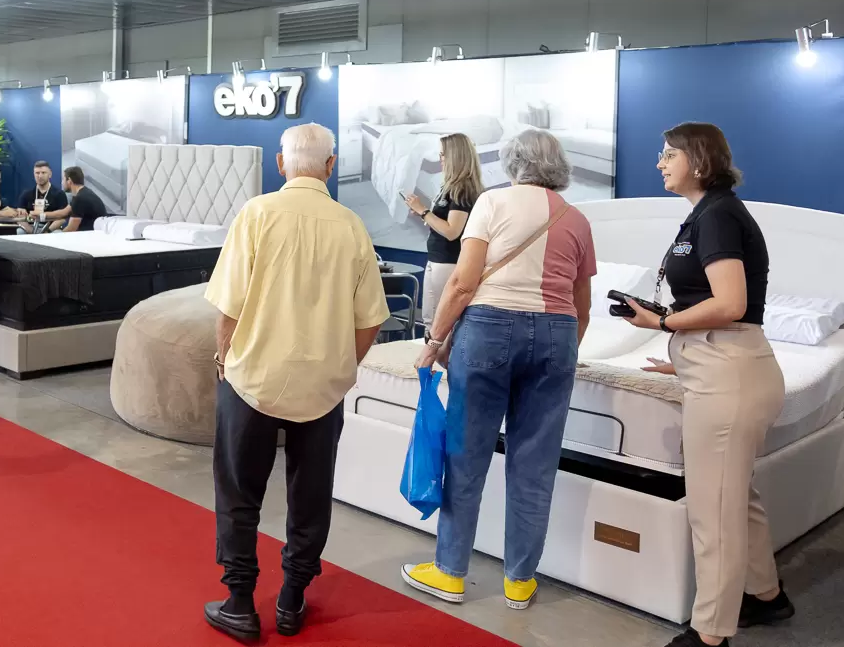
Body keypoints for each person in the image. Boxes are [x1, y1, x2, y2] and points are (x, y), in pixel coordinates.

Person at [202, 123, 388, 641]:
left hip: (253, 379)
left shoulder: (257, 213)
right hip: (323, 386)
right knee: (311, 494)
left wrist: (224, 360)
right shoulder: (352, 226)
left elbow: (229, 307)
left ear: (280, 163)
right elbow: (371, 319)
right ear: (331, 166)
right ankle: (291, 598)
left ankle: (240, 602)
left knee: (238, 492)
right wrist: (342, 366)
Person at [402, 128, 595, 612]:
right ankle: (520, 582)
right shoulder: (577, 219)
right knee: (535, 464)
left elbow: (463, 283)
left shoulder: (492, 203)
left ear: (512, 163)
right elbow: (583, 307)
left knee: (466, 454)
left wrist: (434, 341)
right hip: (558, 333)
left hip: (489, 328)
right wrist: (559, 352)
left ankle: (450, 572)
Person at [621, 124, 791, 647]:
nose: (659, 163)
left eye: (668, 154)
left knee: (712, 511)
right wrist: (682, 358)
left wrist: (663, 323)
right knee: (734, 498)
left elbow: (731, 305)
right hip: (721, 368)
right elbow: (716, 307)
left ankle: (711, 633)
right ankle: (766, 596)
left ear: (698, 160)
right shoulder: (708, 214)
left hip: (728, 374)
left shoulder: (717, 216)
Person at [405, 133, 483, 324]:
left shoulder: (462, 189)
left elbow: (452, 231)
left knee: (441, 320)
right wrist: (425, 215)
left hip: (448, 261)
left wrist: (423, 211)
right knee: (430, 318)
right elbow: (443, 223)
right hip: (438, 258)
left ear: (455, 156)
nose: (440, 158)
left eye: (443, 154)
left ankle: (435, 345)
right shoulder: (451, 186)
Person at [48, 166, 106, 232]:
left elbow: (71, 229)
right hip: (93, 233)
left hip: (90, 236)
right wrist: (41, 216)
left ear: (69, 180)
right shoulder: (84, 193)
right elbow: (64, 212)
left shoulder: (80, 199)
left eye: (63, 179)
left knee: (57, 232)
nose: (62, 182)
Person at [17, 160, 67, 233]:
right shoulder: (26, 194)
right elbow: (19, 218)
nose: (40, 176)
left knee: (57, 233)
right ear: (34, 175)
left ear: (50, 174)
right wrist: (32, 232)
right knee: (20, 231)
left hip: (51, 228)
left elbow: (62, 218)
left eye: (43, 173)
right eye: (37, 173)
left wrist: (47, 231)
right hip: (31, 227)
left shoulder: (59, 194)